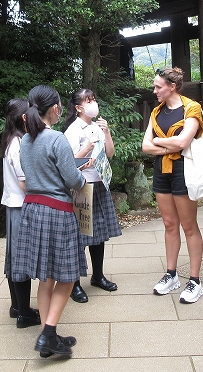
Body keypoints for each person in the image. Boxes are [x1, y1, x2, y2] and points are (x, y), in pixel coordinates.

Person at [12, 84, 92, 358]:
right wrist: (81, 178)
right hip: (57, 212)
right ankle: (47, 335)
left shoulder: (25, 141)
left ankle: (49, 333)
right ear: (55, 108)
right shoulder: (56, 138)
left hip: (32, 211)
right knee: (68, 277)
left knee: (45, 278)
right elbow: (71, 180)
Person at [141, 67, 203, 304]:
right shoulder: (156, 111)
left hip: (184, 171)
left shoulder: (192, 108)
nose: (154, 90)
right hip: (162, 171)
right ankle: (171, 274)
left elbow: (183, 141)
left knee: (189, 226)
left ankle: (195, 281)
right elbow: (145, 147)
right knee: (169, 224)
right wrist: (169, 145)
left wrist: (158, 141)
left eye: (158, 86)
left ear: (172, 87)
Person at [63, 89, 122, 303]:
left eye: (94, 99)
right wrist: (85, 153)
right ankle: (75, 284)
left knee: (98, 232)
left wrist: (106, 133)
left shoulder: (97, 126)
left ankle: (98, 276)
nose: (93, 103)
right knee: (80, 235)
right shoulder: (72, 130)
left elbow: (110, 153)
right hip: (82, 186)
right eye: (88, 101)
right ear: (78, 107)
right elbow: (67, 163)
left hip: (99, 183)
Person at [1, 98, 41, 329]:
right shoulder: (19, 144)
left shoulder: (10, 140)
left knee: (14, 257)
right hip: (20, 207)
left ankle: (17, 306)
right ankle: (24, 313)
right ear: (23, 117)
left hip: (13, 206)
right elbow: (25, 182)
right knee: (21, 260)